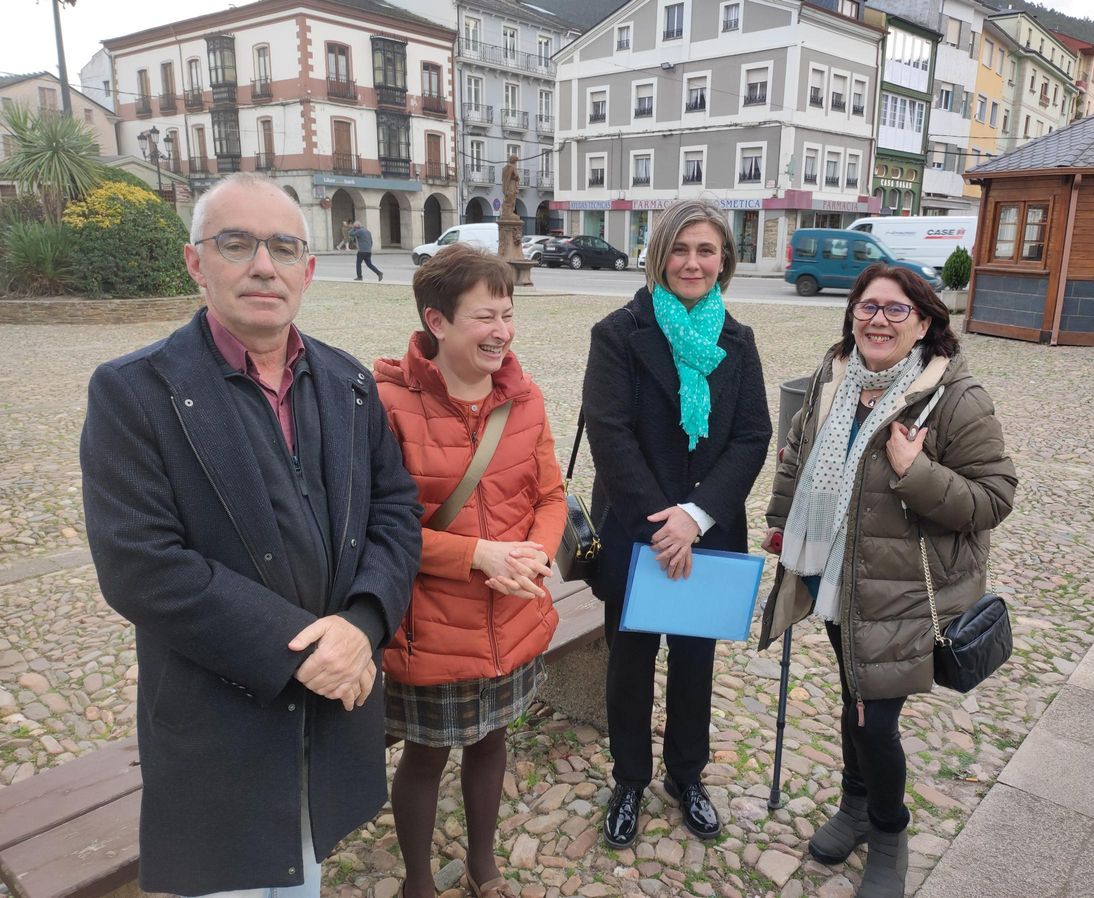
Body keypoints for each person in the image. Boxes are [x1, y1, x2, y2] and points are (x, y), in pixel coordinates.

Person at [78, 172, 424, 897]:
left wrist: (362, 625)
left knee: (304, 873)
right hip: (220, 721)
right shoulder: (135, 391)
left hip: (331, 711)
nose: (262, 265)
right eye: (236, 243)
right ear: (196, 262)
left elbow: (393, 512)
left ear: (308, 268)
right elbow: (140, 565)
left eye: (282, 246)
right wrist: (302, 652)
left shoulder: (348, 383)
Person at [760, 263, 1017, 898]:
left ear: (924, 322)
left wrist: (914, 469)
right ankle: (854, 806)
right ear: (852, 316)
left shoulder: (955, 397)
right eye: (867, 306)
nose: (878, 320)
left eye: (896, 310)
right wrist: (779, 523)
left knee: (876, 718)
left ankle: (889, 829)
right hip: (834, 576)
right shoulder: (835, 378)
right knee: (855, 700)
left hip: (904, 592)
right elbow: (797, 454)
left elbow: (994, 498)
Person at [373, 243, 567, 898]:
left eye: (507, 314)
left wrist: (536, 554)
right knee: (425, 757)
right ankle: (419, 882)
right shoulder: (386, 404)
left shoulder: (524, 396)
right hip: (429, 625)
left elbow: (550, 497)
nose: (502, 332)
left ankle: (485, 866)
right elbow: (381, 527)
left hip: (511, 614)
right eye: (485, 317)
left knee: (491, 741)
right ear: (438, 322)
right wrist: (477, 555)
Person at [581, 199, 771, 849]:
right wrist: (663, 525)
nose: (693, 262)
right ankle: (629, 778)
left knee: (695, 666)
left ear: (725, 261)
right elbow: (609, 434)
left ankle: (686, 775)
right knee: (630, 666)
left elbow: (752, 437)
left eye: (706, 250)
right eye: (681, 250)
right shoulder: (617, 333)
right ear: (658, 255)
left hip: (708, 535)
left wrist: (694, 517)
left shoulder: (738, 341)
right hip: (637, 534)